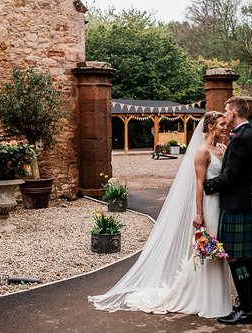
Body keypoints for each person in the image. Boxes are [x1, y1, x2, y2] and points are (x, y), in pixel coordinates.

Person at [89, 111, 234, 318]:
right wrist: (199, 213)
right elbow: (199, 185)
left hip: (223, 205)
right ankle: (204, 298)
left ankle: (219, 298)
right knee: (209, 248)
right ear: (211, 126)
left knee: (220, 248)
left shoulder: (223, 148)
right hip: (209, 206)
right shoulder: (202, 152)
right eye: (221, 124)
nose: (225, 127)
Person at [204, 96, 252, 325]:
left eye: (226, 111)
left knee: (234, 258)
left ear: (234, 113)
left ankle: (246, 311)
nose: (225, 115)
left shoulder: (239, 139)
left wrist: (206, 186)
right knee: (248, 257)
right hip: (246, 204)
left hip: (235, 205)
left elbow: (229, 177)